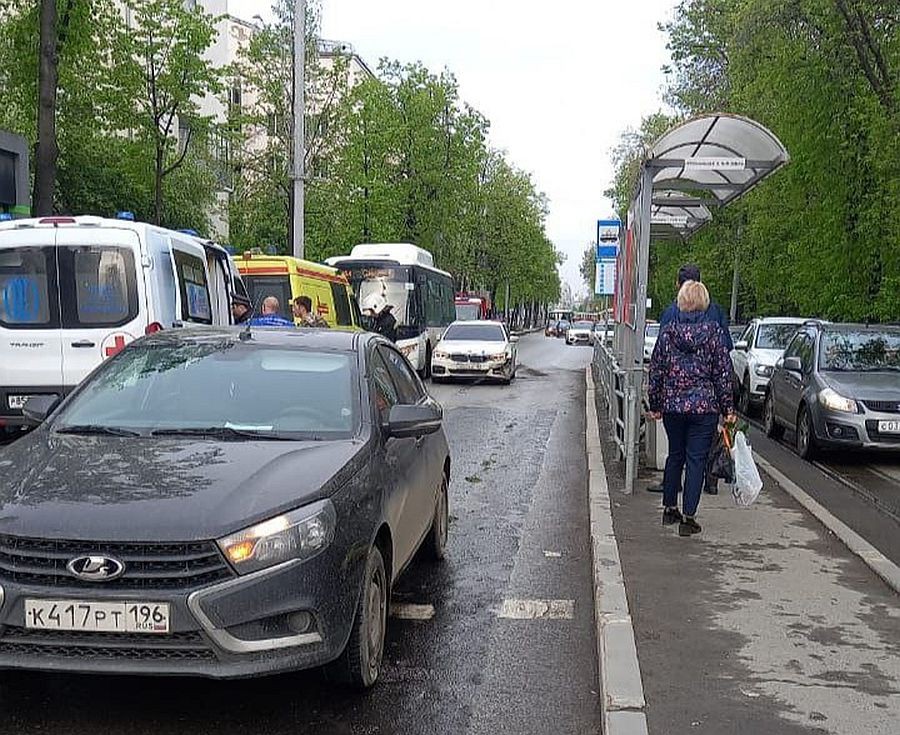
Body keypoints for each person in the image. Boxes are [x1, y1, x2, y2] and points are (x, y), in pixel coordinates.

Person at [648, 280, 735, 537]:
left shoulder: (667, 333)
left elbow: (657, 370)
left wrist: (655, 404)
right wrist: (728, 407)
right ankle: (688, 518)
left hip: (673, 406)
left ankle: (669, 508)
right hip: (704, 408)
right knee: (696, 460)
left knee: (675, 455)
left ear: (681, 302)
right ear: (704, 302)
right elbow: (722, 373)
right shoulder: (714, 334)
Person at [660, 264, 733, 351]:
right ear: (700, 285)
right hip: (708, 364)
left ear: (678, 285)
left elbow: (661, 350)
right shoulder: (716, 313)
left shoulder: (669, 314)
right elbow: (726, 347)